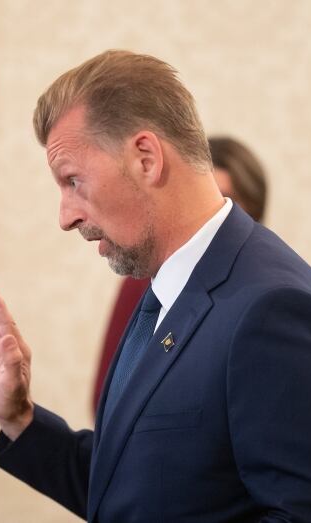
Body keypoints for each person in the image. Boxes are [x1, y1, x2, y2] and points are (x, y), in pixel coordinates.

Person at [0, 50, 311, 522]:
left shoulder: (275, 310)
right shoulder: (165, 290)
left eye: (73, 181)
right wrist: (20, 419)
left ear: (146, 158)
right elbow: (134, 489)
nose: (66, 216)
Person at [93, 136, 269, 414]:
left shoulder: (271, 296)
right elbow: (106, 400)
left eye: (228, 200)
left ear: (253, 211)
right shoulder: (140, 285)